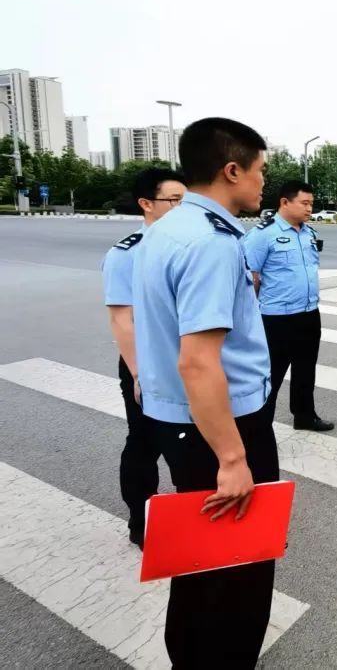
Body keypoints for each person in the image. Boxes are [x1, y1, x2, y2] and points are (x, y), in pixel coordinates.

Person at [133, 117, 278, 668]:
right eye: (260, 170)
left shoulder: (166, 228)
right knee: (239, 570)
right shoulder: (212, 242)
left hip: (180, 420)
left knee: (201, 559)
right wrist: (233, 459)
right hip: (221, 426)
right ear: (232, 170)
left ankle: (190, 657)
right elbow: (198, 360)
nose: (263, 182)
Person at [101, 167, 187, 549]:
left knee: (192, 446)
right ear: (146, 204)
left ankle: (193, 517)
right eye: (175, 200)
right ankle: (141, 521)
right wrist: (139, 373)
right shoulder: (126, 254)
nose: (183, 208)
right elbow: (122, 319)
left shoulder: (189, 246)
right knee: (145, 442)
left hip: (192, 359)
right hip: (149, 364)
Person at [242, 180, 333, 432]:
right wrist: (249, 318)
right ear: (285, 202)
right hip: (276, 318)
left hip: (309, 313)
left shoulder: (308, 233)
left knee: (306, 369)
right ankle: (260, 428)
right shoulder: (263, 234)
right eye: (304, 203)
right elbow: (251, 277)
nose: (309, 209)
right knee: (271, 374)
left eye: (311, 203)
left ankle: (304, 416)